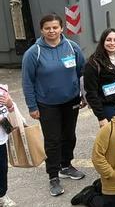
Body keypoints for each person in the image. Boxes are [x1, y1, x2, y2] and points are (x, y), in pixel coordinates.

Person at [21, 13, 88, 196]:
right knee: (53, 140)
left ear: (61, 28)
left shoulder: (72, 47)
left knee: (69, 136)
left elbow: (83, 72)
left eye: (55, 27)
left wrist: (84, 95)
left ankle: (66, 166)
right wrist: (32, 106)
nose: (52, 31)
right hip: (47, 104)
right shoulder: (34, 53)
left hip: (71, 101)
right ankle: (53, 176)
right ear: (41, 30)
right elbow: (27, 82)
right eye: (47, 28)